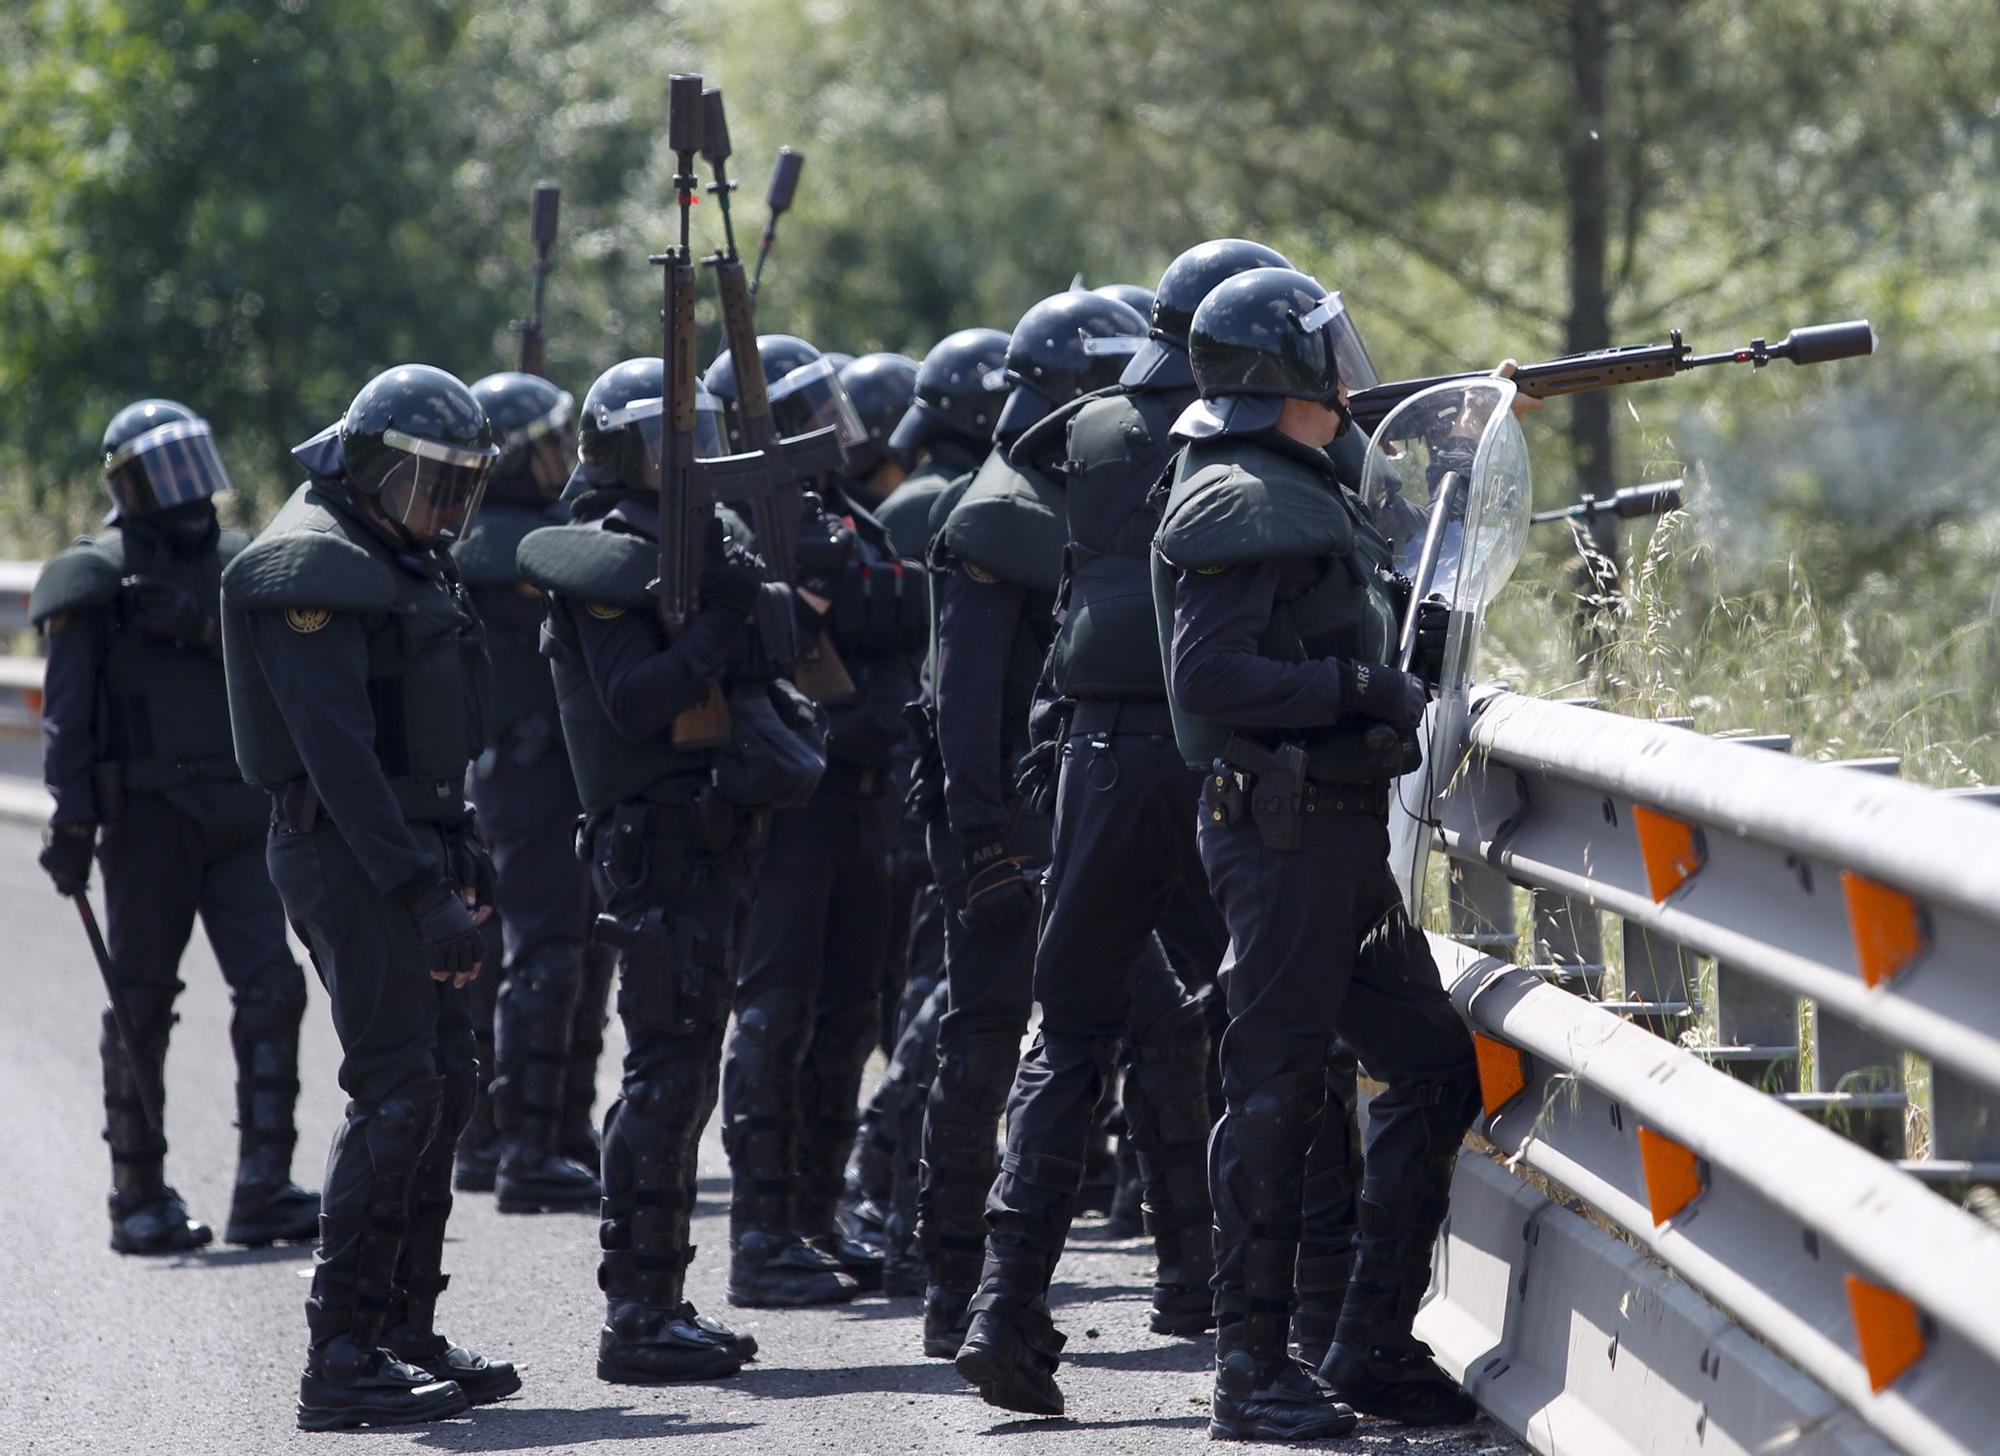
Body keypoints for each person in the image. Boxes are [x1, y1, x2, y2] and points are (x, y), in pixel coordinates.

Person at [954, 242, 1304, 1416]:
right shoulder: (1237, 435)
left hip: (1097, 762)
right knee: (1265, 1025)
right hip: (1217, 755)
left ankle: (1004, 1308)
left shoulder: (1085, 432)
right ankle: (1265, 1328)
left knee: (1071, 1031)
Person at [1152, 267, 1484, 1440]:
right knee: (1275, 1090)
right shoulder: (1241, 495)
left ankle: (1367, 1340)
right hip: (1282, 838)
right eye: (1323, 347)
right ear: (1278, 372)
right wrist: (1353, 684)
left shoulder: (1293, 481)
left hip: (1335, 838)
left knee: (1434, 1064)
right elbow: (1206, 679)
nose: (1346, 365)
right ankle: (1249, 1371)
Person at [518, 356, 828, 1382]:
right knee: (661, 1075)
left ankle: (662, 1301)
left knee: (685, 1069)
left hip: (715, 837)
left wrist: (766, 593)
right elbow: (637, 702)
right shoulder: (603, 561)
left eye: (693, 440)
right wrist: (712, 633)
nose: (685, 459)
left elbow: (778, 666)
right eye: (665, 442)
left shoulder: (703, 545)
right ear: (619, 451)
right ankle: (636, 1315)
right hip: (655, 841)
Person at [221, 364, 517, 1429]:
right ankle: (338, 1355)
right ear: (367, 467)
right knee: (396, 1088)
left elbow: (420, 733)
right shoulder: (311, 563)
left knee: (446, 1080)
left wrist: (460, 847)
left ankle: (402, 1329)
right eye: (427, 484)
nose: (443, 509)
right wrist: (416, 884)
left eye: (460, 488)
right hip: (349, 853)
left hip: (407, 844)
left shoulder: (399, 557)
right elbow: (337, 756)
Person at [913, 289, 1149, 1358]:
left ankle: (1191, 1283)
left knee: (1157, 1026)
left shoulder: (1062, 493)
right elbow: (960, 702)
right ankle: (952, 1290)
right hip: (1002, 822)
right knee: (983, 1042)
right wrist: (983, 839)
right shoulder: (997, 512)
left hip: (1064, 810)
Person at [31, 398, 319, 1257]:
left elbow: (282, 676)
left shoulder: (241, 563)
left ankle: (265, 1186)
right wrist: (72, 820)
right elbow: (68, 718)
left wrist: (197, 628)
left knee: (274, 988)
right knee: (140, 1002)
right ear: (130, 483)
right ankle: (139, 1194)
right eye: (167, 471)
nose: (189, 490)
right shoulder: (95, 579)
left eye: (194, 464)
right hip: (146, 825)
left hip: (239, 819)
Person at [713, 335, 919, 1307]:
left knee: (850, 1016)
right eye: (811, 410)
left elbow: (888, 609)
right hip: (793, 804)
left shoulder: (833, 517)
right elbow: (853, 616)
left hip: (862, 794)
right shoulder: (747, 525)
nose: (836, 425)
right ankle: (760, 1237)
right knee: (778, 1009)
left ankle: (811, 1211)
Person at [841, 327, 1011, 1294]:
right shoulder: (940, 505)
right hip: (943, 779)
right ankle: (887, 1174)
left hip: (923, 776)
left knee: (933, 994)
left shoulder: (917, 500)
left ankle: (890, 1181)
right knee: (938, 999)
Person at [445, 371, 602, 1214]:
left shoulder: (468, 541)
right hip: (538, 776)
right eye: (545, 446)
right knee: (548, 954)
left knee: (512, 953)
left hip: (503, 774)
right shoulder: (517, 545)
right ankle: (531, 1146)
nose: (560, 461)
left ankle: (504, 1138)